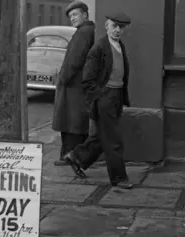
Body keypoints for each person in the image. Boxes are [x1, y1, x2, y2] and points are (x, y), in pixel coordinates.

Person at [64, 12, 133, 189]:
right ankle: (118, 178)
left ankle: (77, 157)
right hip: (105, 97)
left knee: (102, 136)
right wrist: (101, 95)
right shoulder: (99, 48)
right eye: (114, 26)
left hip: (116, 96)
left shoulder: (120, 45)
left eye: (121, 27)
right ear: (106, 26)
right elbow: (87, 79)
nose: (117, 30)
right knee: (114, 139)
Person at [51, 0, 95, 166]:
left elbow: (74, 60)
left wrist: (63, 79)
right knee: (75, 122)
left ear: (85, 14)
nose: (73, 18)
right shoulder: (87, 30)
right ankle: (72, 155)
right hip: (79, 85)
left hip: (73, 86)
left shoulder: (83, 32)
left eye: (75, 14)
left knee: (71, 122)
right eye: (70, 16)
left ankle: (70, 156)